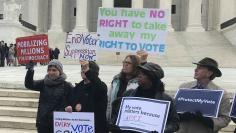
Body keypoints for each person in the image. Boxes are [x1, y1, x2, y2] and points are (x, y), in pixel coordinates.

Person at [109, 62, 179, 133]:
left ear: (152, 78)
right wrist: (114, 125)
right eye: (139, 73)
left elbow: (174, 124)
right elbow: (116, 115)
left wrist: (161, 131)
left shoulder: (166, 100)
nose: (139, 75)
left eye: (143, 74)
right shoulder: (128, 94)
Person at [177, 57, 230, 133]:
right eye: (196, 67)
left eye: (200, 68)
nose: (196, 70)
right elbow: (174, 110)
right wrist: (180, 116)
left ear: (209, 73)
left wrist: (208, 121)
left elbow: (225, 118)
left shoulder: (221, 94)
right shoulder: (184, 88)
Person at [24, 59, 73, 133]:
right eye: (49, 70)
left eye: (54, 70)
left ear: (60, 71)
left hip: (59, 123)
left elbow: (73, 101)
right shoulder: (43, 83)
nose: (51, 72)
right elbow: (29, 84)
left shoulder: (67, 86)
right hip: (43, 123)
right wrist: (30, 71)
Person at [65, 60, 108, 133]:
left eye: (85, 68)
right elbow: (69, 101)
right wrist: (69, 106)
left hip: (96, 128)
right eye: (82, 68)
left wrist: (88, 72)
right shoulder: (78, 87)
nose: (82, 70)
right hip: (79, 127)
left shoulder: (100, 86)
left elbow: (98, 86)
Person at [107, 54, 141, 122]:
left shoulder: (139, 82)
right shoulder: (116, 80)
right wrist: (107, 118)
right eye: (124, 62)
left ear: (135, 66)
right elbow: (109, 100)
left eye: (128, 63)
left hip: (130, 119)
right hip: (114, 118)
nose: (125, 65)